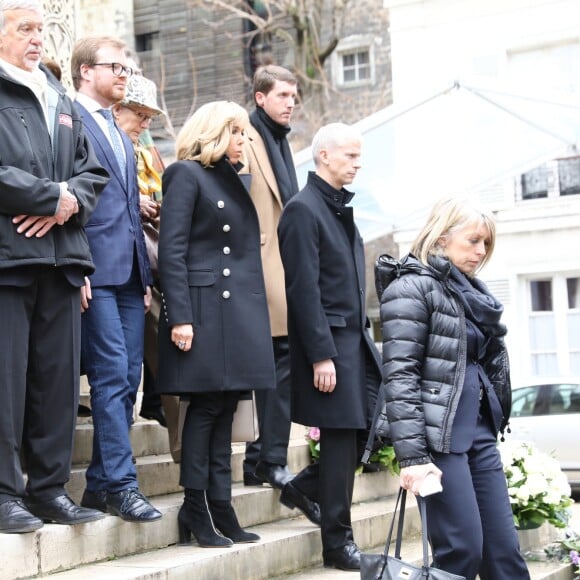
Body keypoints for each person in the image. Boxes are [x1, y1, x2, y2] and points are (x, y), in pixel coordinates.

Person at [376, 196, 530, 579]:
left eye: (486, 244)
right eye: (473, 241)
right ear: (442, 237)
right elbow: (400, 378)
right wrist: (412, 458)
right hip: (436, 440)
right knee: (461, 549)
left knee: (504, 553)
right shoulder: (410, 288)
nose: (481, 252)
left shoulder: (470, 293)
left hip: (477, 433)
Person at [0, 0, 109, 533]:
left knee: (57, 384)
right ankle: (3, 495)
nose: (37, 38)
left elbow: (92, 171)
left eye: (40, 29)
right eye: (24, 28)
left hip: (62, 261)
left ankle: (48, 491)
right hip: (9, 261)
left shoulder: (59, 94)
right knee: (6, 385)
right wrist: (52, 198)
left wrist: (65, 201)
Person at [155, 100, 276, 548]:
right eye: (239, 133)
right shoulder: (185, 174)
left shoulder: (231, 178)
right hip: (203, 311)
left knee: (227, 409)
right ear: (217, 133)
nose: (245, 142)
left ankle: (221, 505)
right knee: (206, 409)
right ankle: (196, 505)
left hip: (234, 314)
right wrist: (180, 317)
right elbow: (173, 250)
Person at [277, 123, 382, 570]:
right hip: (331, 346)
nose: (358, 164)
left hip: (354, 341)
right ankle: (338, 545)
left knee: (362, 433)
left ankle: (303, 486)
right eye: (350, 156)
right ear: (323, 156)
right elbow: (303, 290)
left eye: (359, 156)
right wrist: (321, 353)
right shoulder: (303, 210)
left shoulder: (336, 207)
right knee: (340, 440)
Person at [71, 36, 161, 523]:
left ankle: (100, 486)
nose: (125, 75)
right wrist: (77, 266)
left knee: (129, 377)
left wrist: (144, 274)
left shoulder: (119, 129)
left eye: (127, 67)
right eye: (116, 67)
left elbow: (126, 209)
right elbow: (76, 206)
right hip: (95, 273)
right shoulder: (70, 118)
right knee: (109, 376)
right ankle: (123, 485)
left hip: (130, 276)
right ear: (87, 72)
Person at [242, 65, 299, 490]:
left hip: (284, 269)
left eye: (294, 96)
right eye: (282, 95)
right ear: (260, 97)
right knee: (276, 363)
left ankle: (262, 458)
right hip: (256, 270)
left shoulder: (281, 141)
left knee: (279, 363)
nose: (290, 103)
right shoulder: (244, 136)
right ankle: (267, 459)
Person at [112, 73, 168, 428]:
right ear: (119, 109)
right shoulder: (105, 143)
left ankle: (155, 397)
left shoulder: (146, 150)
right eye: (140, 114)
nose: (146, 123)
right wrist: (137, 203)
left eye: (150, 117)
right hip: (117, 265)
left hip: (146, 259)